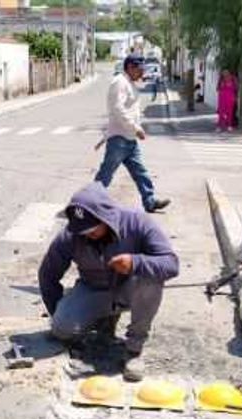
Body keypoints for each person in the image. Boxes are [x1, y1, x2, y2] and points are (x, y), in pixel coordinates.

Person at [39, 182, 179, 382]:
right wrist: (59, 310)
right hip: (93, 288)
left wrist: (135, 263)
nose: (88, 234)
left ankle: (134, 348)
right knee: (62, 329)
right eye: (83, 230)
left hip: (131, 289)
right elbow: (47, 274)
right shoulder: (71, 235)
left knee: (151, 279)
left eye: (93, 228)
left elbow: (171, 264)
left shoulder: (138, 222)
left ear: (106, 217)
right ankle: (104, 318)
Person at [94, 54, 171, 213]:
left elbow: (130, 110)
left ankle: (150, 201)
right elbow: (118, 109)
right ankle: (91, 202)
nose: (142, 73)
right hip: (119, 138)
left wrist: (135, 129)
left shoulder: (129, 83)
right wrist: (135, 128)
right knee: (106, 173)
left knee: (140, 172)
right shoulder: (119, 83)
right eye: (140, 69)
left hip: (129, 138)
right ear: (130, 67)